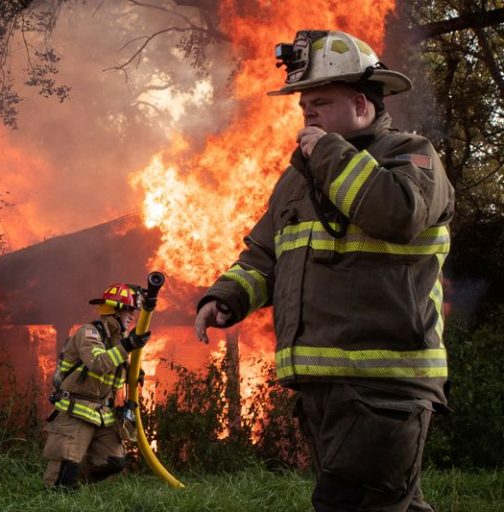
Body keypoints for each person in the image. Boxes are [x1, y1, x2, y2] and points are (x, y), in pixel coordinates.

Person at [194, 30, 454, 512]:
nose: (306, 112)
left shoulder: (411, 156)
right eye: (303, 103)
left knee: (350, 504)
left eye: (321, 101)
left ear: (360, 104)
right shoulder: (298, 178)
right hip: (324, 383)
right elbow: (265, 254)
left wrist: (328, 153)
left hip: (384, 384)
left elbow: (396, 213)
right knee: (387, 504)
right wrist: (227, 296)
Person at [42, 282, 151, 490]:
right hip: (77, 411)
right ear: (114, 310)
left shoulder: (117, 340)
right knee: (64, 469)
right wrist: (128, 346)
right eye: (128, 310)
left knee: (114, 461)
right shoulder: (89, 333)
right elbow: (98, 363)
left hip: (102, 413)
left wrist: (135, 374)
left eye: (134, 310)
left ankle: (74, 485)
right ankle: (56, 494)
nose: (132, 315)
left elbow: (118, 372)